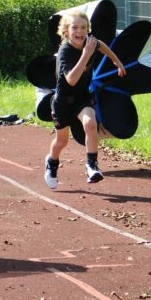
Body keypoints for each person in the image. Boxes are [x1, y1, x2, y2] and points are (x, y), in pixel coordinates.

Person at [44, 10, 126, 189]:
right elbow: (71, 80)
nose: (79, 31)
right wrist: (86, 55)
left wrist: (116, 61)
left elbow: (100, 45)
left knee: (90, 124)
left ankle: (91, 165)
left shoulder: (90, 42)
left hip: (81, 98)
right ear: (66, 30)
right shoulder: (65, 51)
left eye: (83, 27)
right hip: (62, 103)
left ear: (88, 29)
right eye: (75, 27)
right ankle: (51, 163)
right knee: (61, 142)